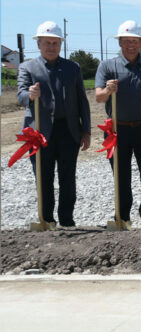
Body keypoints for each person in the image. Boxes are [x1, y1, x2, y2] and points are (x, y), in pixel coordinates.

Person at [95, 20, 141, 228]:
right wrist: (108, 90)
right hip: (117, 131)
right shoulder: (107, 67)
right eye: (126, 41)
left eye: (135, 41)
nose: (131, 45)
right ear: (119, 42)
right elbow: (99, 97)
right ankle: (122, 218)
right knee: (121, 177)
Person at [16, 21, 91, 227]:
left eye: (55, 43)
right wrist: (29, 95)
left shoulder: (72, 67)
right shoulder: (27, 67)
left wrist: (86, 130)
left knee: (67, 177)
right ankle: (46, 219)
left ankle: (67, 219)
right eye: (47, 43)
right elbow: (20, 95)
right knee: (43, 176)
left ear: (61, 45)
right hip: (39, 132)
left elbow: (81, 100)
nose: (51, 47)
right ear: (38, 44)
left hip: (68, 130)